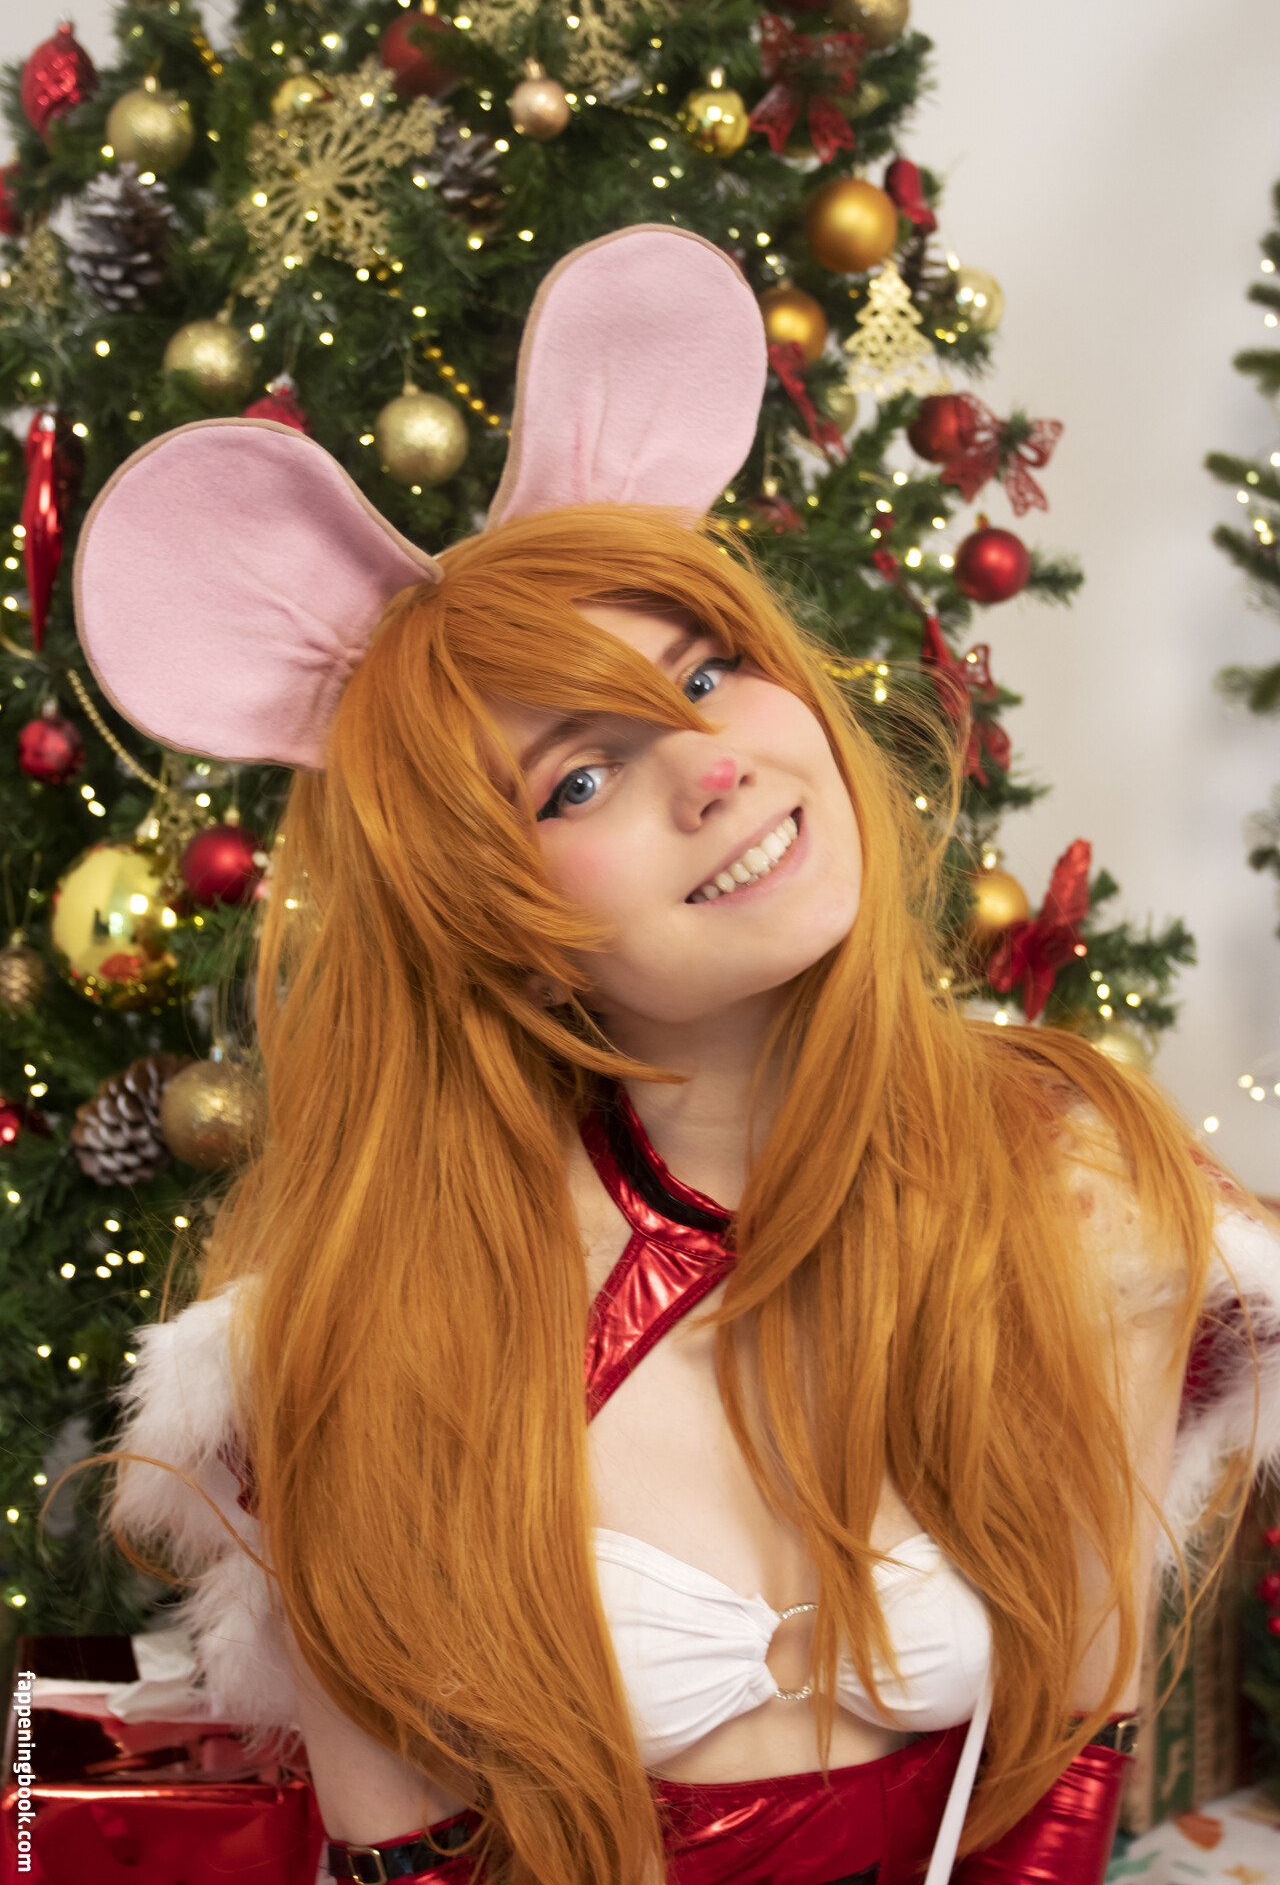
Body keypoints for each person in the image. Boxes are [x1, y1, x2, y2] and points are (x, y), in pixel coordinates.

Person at [78, 228, 1280, 1885]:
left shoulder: (1079, 1198)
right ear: (485, 922)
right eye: (577, 779)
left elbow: (1069, 1765)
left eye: (708, 672)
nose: (710, 767)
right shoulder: (370, 1339)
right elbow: (401, 1855)